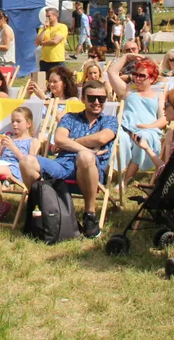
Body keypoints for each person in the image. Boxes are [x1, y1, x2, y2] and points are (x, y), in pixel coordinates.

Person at [20, 79, 117, 239]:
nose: (97, 102)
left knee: (85, 157)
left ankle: (90, 215)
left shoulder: (109, 121)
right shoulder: (70, 118)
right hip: (62, 166)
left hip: (90, 170)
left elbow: (102, 138)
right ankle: (42, 207)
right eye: (92, 98)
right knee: (26, 161)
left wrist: (71, 144)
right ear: (83, 99)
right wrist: (86, 147)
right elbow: (59, 139)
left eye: (102, 98)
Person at [108, 57, 163, 181]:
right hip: (125, 128)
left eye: (142, 76)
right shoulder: (128, 91)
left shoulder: (158, 95)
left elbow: (164, 118)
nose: (137, 78)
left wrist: (150, 126)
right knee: (119, 137)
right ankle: (113, 174)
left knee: (143, 137)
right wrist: (126, 56)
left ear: (152, 79)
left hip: (148, 131)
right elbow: (111, 72)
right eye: (135, 75)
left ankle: (127, 179)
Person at [34, 7, 69, 73]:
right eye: (46, 16)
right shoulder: (42, 28)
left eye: (49, 16)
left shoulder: (62, 27)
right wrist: (44, 30)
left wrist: (43, 42)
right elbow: (37, 42)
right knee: (43, 81)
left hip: (57, 60)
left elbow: (55, 41)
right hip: (44, 60)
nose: (47, 18)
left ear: (55, 16)